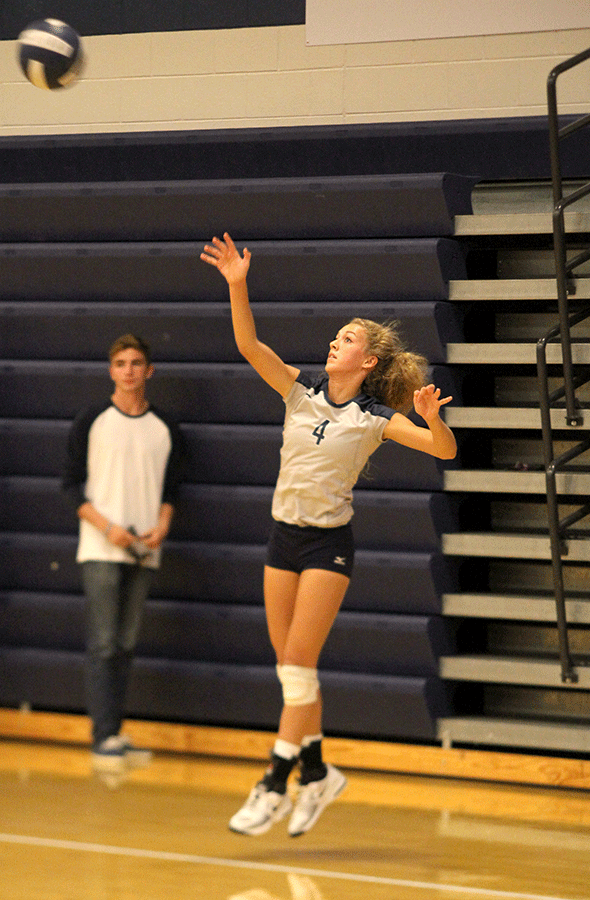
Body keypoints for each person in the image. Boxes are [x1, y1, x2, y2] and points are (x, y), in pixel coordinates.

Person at [201, 233, 457, 838]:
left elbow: (443, 451)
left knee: (296, 665)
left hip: (326, 546)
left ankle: (274, 781)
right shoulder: (299, 390)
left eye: (347, 337)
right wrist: (238, 284)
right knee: (294, 671)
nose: (334, 340)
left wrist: (432, 418)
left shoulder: (373, 419)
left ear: (367, 361)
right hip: (281, 537)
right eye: (337, 334)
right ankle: (319, 773)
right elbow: (247, 344)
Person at [63, 334, 183, 771]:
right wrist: (108, 528)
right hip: (100, 548)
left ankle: (115, 732)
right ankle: (103, 736)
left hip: (144, 551)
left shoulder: (165, 427)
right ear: (110, 371)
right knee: (104, 643)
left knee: (127, 644)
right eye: (120, 363)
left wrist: (163, 525)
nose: (128, 370)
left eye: (136, 363)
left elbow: (171, 488)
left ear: (148, 371)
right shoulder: (91, 419)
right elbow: (70, 488)